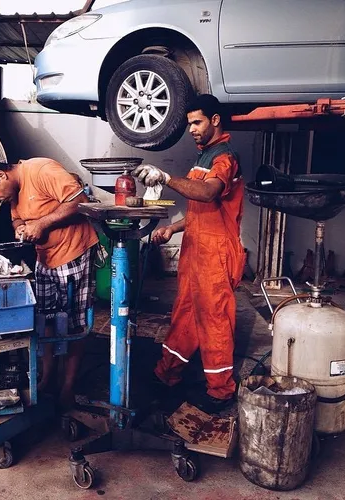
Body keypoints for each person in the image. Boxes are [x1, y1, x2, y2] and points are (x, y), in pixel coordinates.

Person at [132, 94, 245, 413]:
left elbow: (209, 194)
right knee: (184, 314)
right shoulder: (205, 156)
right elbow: (199, 211)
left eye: (197, 122)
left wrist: (167, 178)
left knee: (214, 319)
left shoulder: (224, 157)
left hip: (216, 254)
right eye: (189, 124)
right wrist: (173, 228)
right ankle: (168, 374)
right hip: (196, 249)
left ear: (215, 120)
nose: (192, 129)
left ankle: (221, 390)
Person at [0, 158, 98, 408]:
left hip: (72, 252)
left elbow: (81, 201)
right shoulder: (13, 193)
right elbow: (17, 219)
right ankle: (49, 377)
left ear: (2, 175)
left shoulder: (41, 170)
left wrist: (41, 224)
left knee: (76, 324)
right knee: (45, 320)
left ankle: (68, 386)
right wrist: (20, 228)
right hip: (45, 259)